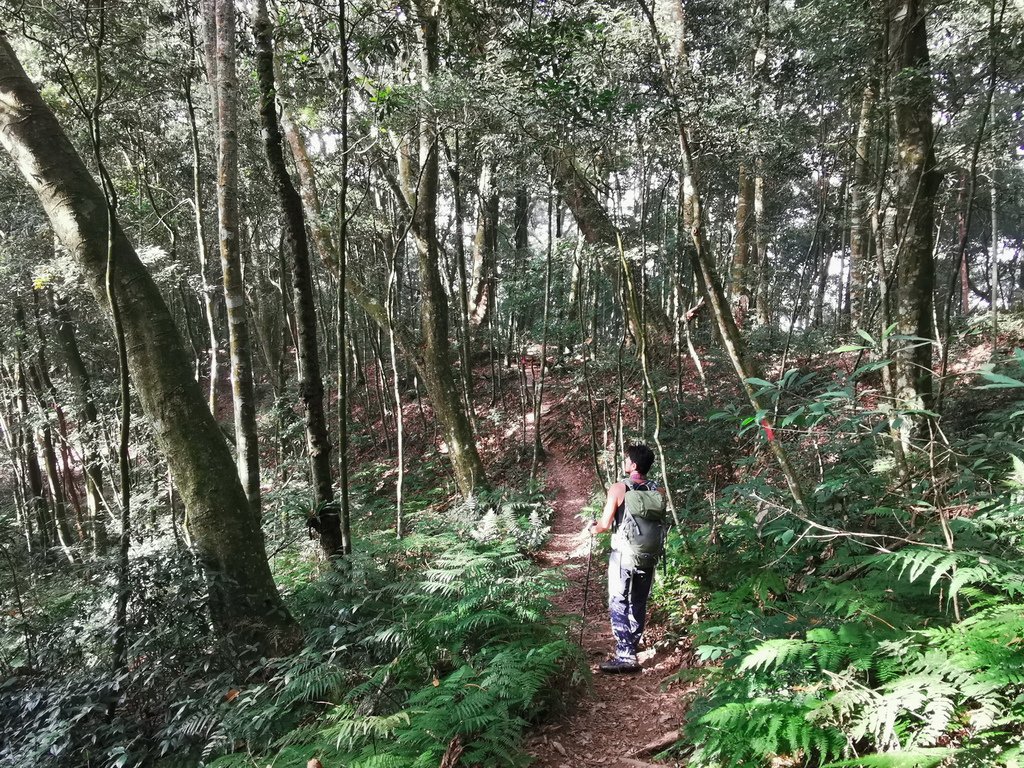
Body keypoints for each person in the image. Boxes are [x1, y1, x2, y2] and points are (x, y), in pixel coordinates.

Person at [586, 443, 660, 674]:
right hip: (648, 554)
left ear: (634, 465)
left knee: (618, 600)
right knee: (638, 600)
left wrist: (592, 528)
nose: (625, 461)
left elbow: (605, 524)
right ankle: (632, 646)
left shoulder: (619, 488)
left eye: (627, 459)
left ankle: (625, 655)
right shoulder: (657, 490)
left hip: (624, 555)